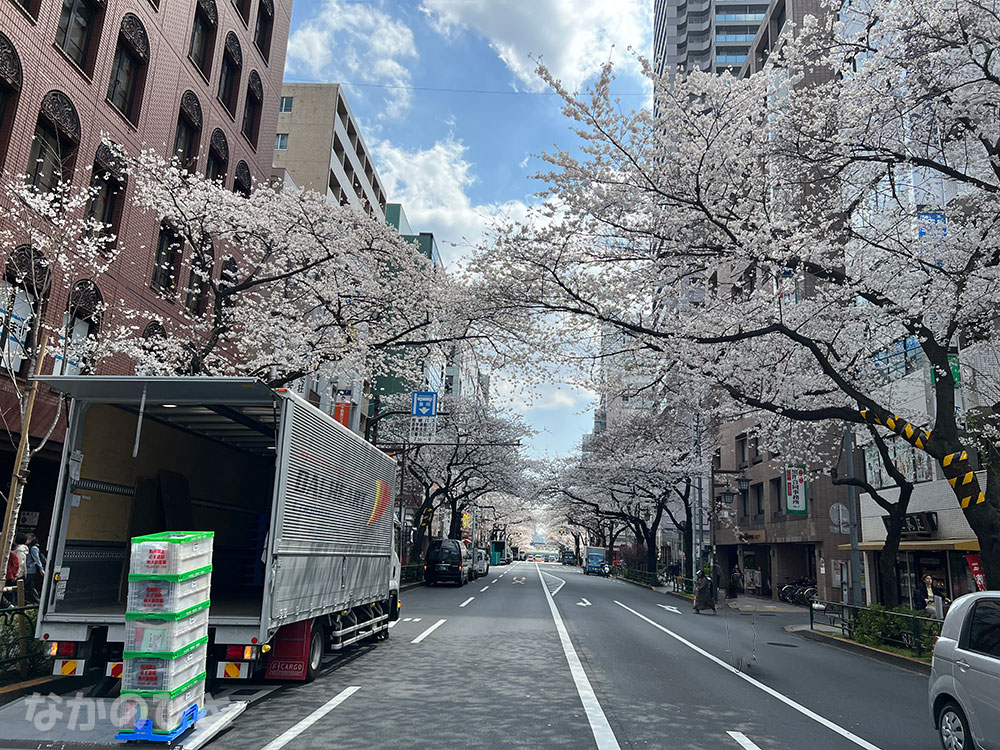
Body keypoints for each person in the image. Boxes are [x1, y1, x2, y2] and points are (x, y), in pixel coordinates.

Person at [25, 533, 45, 604]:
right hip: (30, 569)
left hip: (31, 569)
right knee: (31, 586)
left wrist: (41, 569)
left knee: (26, 585)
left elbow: (37, 560)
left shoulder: (33, 548)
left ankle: (37, 600)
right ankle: (37, 600)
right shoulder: (30, 547)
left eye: (28, 539)